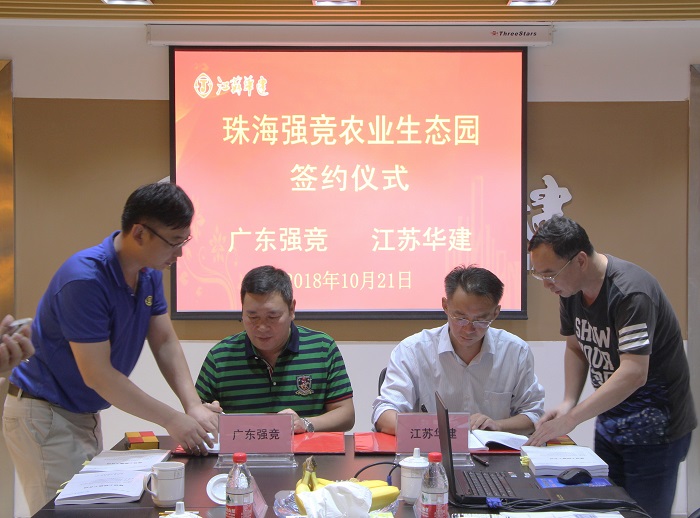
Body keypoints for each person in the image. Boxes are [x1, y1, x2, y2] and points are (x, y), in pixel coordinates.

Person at [3, 182, 219, 515]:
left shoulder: (147, 274)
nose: (179, 254)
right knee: (65, 512)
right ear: (140, 233)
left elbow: (164, 340)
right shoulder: (85, 279)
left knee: (93, 509)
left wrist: (192, 406)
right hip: (45, 413)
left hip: (81, 413)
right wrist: (172, 419)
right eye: (174, 242)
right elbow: (99, 375)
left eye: (184, 241)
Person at [527, 215, 696, 518]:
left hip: (655, 432)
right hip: (611, 423)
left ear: (580, 260)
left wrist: (571, 420)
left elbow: (634, 373)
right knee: (608, 510)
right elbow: (576, 347)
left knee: (643, 514)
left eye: (550, 274)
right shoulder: (571, 291)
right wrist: (568, 402)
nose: (547, 285)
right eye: (540, 276)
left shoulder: (630, 292)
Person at [372, 265, 544, 435]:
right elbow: (383, 413)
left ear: (495, 313)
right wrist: (435, 428)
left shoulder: (515, 352)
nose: (469, 329)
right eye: (460, 318)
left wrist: (498, 426)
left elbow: (533, 414)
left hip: (493, 451)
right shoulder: (413, 351)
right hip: (431, 449)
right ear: (445, 306)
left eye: (480, 320)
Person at [196, 265, 355, 434]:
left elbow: (346, 414)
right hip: (242, 450)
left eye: (272, 317)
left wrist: (305, 423)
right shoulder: (220, 357)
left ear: (292, 310)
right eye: (252, 317)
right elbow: (195, 414)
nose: (262, 327)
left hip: (306, 450)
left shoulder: (322, 348)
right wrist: (205, 415)